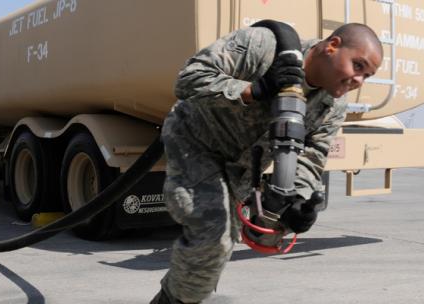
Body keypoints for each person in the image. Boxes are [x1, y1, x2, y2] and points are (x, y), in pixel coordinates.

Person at [152, 22, 383, 304]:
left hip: (239, 169)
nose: (359, 80)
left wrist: (297, 200)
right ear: (332, 46)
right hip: (196, 142)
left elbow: (312, 156)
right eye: (358, 66)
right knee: (213, 235)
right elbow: (188, 80)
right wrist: (255, 89)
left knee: (217, 251)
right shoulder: (264, 46)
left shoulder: (332, 108)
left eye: (367, 76)